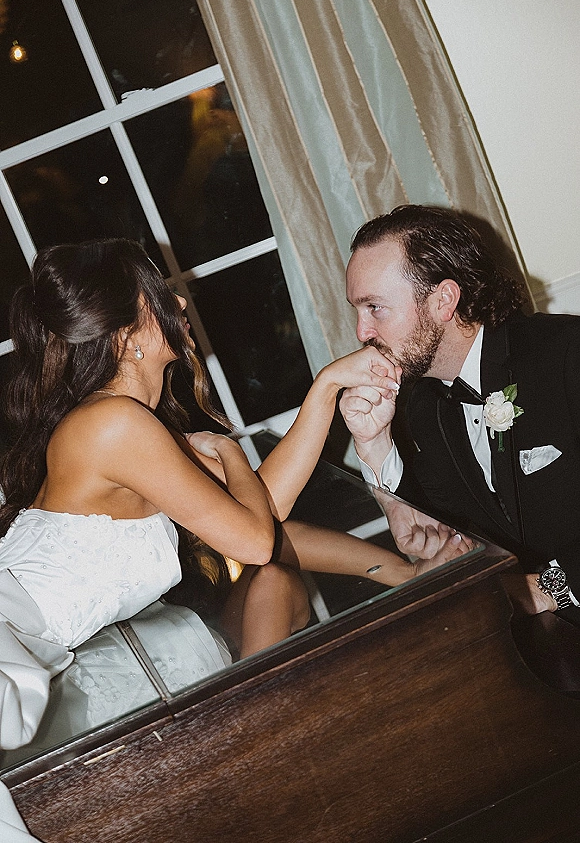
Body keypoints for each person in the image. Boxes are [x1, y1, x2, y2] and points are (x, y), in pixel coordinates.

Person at [0, 237, 462, 753]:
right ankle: (255, 740)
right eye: (157, 293)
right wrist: (229, 451)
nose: (177, 303)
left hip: (29, 650)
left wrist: (327, 386)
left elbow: (266, 510)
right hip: (9, 646)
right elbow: (254, 539)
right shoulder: (114, 424)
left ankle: (253, 737)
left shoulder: (122, 425)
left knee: (278, 583)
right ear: (128, 335)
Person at [340, 204, 580, 624]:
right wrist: (373, 443)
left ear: (444, 300)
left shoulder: (566, 354)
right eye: (357, 311)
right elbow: (442, 533)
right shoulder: (426, 407)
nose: (362, 332)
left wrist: (545, 591)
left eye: (375, 307)